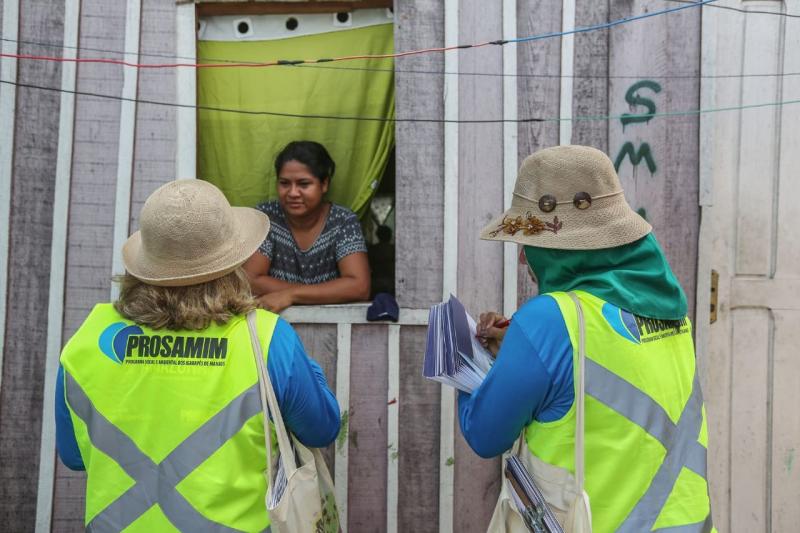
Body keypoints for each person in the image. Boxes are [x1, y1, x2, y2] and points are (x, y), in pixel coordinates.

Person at [55, 179, 340, 532]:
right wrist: (305, 366)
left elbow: (73, 456)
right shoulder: (266, 337)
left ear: (145, 262)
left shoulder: (90, 338)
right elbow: (322, 429)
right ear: (234, 259)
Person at [459, 145, 713, 531]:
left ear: (564, 245)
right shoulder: (672, 313)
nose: (525, 258)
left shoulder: (548, 320)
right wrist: (515, 351)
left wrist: (463, 363)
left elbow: (484, 433)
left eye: (531, 240)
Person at [244, 141, 371, 312]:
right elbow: (250, 280)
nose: (293, 193)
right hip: (274, 329)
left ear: (324, 184)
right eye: (284, 183)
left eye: (304, 184)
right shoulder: (266, 218)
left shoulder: (343, 221)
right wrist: (321, 292)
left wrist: (291, 295)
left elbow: (359, 286)